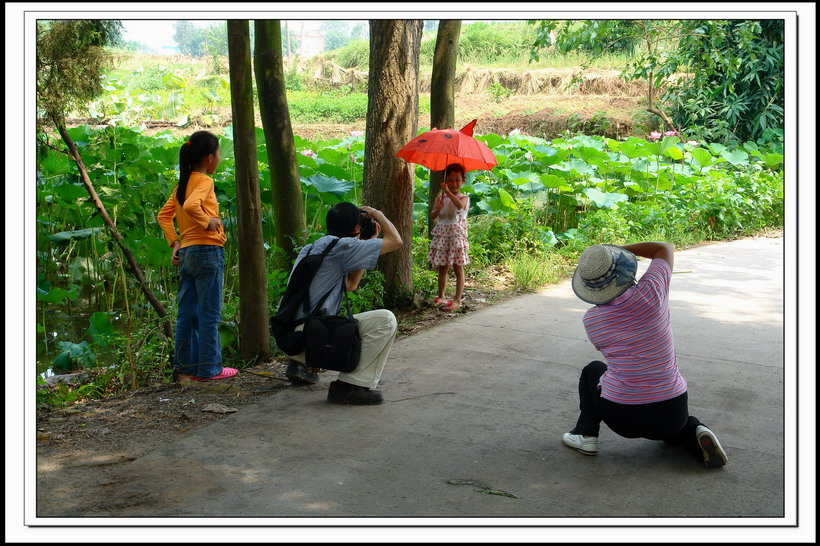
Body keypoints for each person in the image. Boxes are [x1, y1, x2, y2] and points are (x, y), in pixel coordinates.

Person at [562, 241, 728, 468]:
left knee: (594, 370)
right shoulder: (653, 290)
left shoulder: (592, 321)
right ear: (623, 267)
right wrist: (616, 249)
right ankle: (693, 430)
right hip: (673, 409)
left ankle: (586, 435)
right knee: (671, 427)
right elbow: (664, 249)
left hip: (622, 417)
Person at [283, 202, 403, 405]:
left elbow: (350, 285)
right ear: (356, 229)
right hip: (313, 339)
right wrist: (377, 214)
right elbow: (396, 241)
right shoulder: (344, 246)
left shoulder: (312, 247)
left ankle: (299, 364)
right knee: (386, 320)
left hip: (293, 338)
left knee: (329, 319)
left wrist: (367, 243)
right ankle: (350, 386)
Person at [157, 131, 237, 382]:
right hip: (207, 250)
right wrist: (208, 222)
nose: (219, 157)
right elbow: (193, 206)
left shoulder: (182, 183)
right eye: (219, 153)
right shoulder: (204, 181)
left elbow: (163, 216)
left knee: (187, 314)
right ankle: (209, 369)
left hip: (188, 253)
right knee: (209, 315)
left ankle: (185, 367)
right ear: (210, 157)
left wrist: (176, 242)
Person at [428, 163, 470, 312]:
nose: (454, 184)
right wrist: (437, 208)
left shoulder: (464, 197)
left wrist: (447, 192)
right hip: (442, 235)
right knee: (442, 267)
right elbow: (433, 215)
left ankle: (457, 300)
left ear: (463, 181)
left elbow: (459, 205)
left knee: (458, 267)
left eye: (457, 180)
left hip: (456, 236)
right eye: (450, 180)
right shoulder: (440, 197)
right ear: (445, 181)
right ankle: (441, 296)